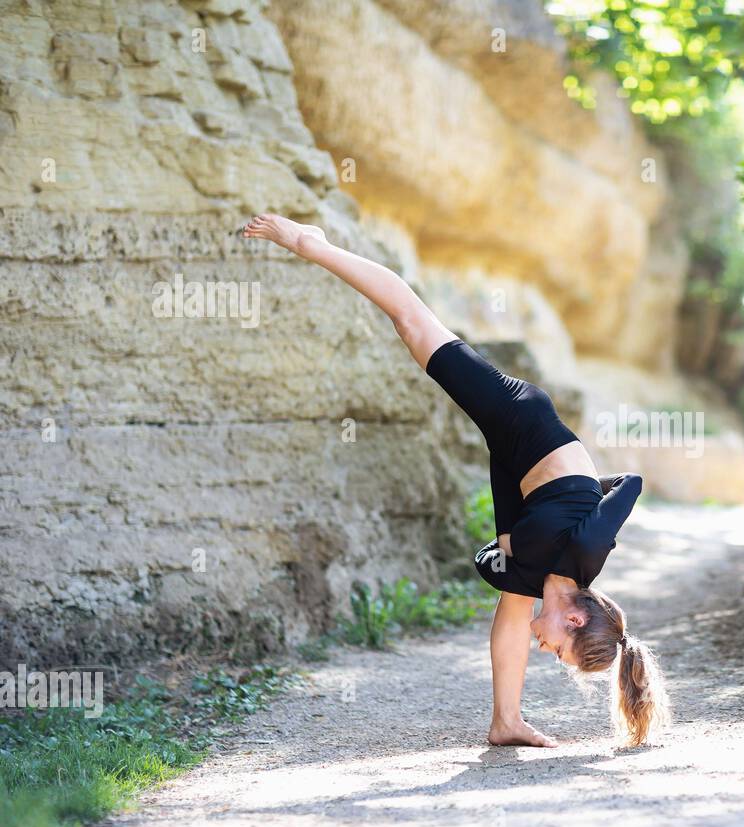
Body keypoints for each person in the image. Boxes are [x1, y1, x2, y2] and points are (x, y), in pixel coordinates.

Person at [242, 214, 670, 747]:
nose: (548, 652)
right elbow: (630, 481)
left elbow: (508, 623)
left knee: (413, 330)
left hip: (512, 466)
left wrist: (508, 720)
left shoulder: (530, 578)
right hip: (524, 421)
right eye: (559, 651)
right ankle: (312, 243)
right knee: (413, 323)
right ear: (576, 621)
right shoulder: (587, 547)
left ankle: (504, 722)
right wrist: (576, 485)